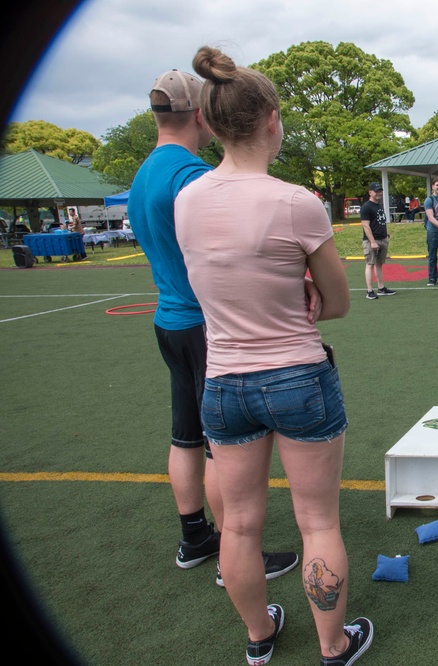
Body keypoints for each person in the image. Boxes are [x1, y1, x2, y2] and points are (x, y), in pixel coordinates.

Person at [174, 46, 373, 666]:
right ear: (271, 119)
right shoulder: (295, 202)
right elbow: (338, 303)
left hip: (224, 383)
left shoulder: (188, 200)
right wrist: (308, 287)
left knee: (238, 526)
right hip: (297, 375)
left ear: (208, 123)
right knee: (317, 522)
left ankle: (259, 639)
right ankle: (332, 645)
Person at [127, 68, 298, 589]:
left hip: (169, 320)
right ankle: (233, 554)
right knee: (221, 448)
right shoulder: (194, 177)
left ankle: (195, 536)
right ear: (201, 116)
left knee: (185, 436)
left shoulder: (144, 174)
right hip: (209, 326)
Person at [360, 182, 396, 300]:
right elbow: (366, 226)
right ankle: (369, 291)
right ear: (370, 192)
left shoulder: (379, 205)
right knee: (370, 264)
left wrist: (386, 235)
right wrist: (372, 242)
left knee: (379, 264)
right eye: (376, 191)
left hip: (382, 239)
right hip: (372, 240)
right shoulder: (366, 207)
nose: (378, 193)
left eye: (380, 191)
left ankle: (381, 288)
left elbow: (380, 222)